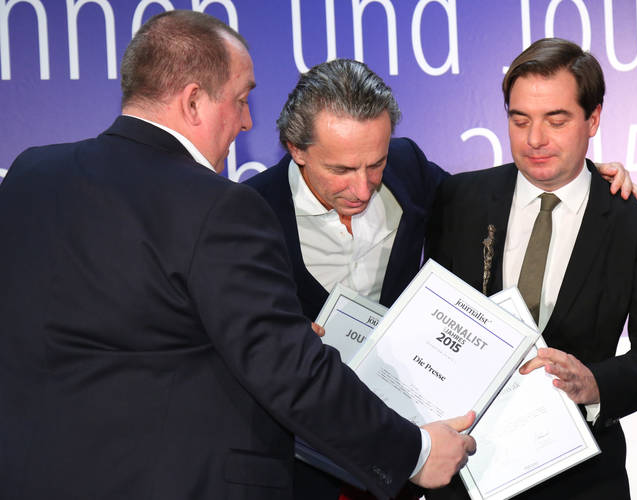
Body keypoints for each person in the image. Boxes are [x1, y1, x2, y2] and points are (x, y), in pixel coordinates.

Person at [0, 11, 477, 500]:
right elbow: (289, 371)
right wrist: (415, 453)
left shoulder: (31, 173)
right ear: (193, 101)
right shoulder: (220, 206)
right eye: (242, 99)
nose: (248, 121)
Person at [245, 58, 637, 499]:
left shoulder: (408, 169)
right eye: (341, 170)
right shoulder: (248, 214)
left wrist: (582, 179)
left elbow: (488, 201)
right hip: (301, 466)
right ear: (296, 148)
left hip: (403, 462)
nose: (362, 188)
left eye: (375, 164)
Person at [424, 38, 637, 499]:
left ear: (594, 119)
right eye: (519, 119)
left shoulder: (634, 225)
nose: (535, 140)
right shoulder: (459, 198)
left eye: (556, 120)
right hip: (464, 473)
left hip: (582, 480)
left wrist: (595, 384)